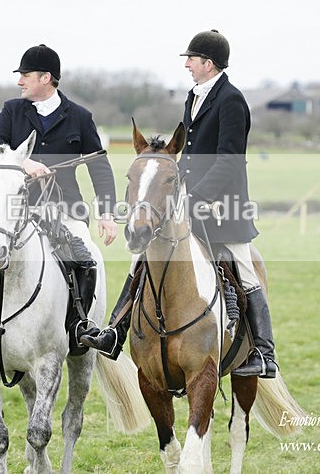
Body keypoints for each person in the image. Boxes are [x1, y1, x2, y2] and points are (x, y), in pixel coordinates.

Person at [81, 29, 278, 379]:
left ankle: (264, 352)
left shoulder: (231, 100)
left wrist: (196, 198)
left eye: (191, 59)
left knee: (245, 268)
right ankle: (116, 331)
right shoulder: (194, 97)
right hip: (185, 199)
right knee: (142, 254)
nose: (187, 64)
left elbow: (229, 160)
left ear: (208, 63)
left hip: (223, 205)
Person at [0, 44, 118, 356]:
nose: (19, 82)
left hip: (63, 208)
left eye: (25, 75)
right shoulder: (13, 110)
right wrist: (22, 163)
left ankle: (80, 324)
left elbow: (99, 166)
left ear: (46, 78)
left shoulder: (80, 118)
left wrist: (106, 213)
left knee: (86, 255)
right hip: (11, 208)